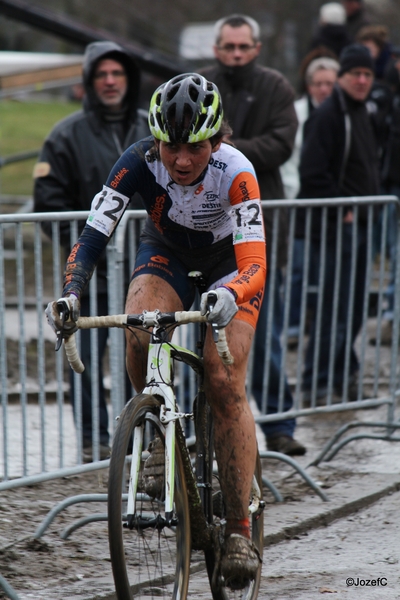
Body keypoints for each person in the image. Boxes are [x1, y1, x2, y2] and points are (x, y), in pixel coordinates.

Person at [45, 72, 266, 587]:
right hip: (165, 252)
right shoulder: (139, 160)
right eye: (171, 146)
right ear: (156, 140)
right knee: (139, 326)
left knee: (223, 380)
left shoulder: (237, 172)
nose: (182, 159)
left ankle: (237, 528)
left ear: (215, 141)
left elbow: (255, 260)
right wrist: (72, 291)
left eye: (194, 147)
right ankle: (155, 433)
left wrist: (232, 293)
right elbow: (95, 232)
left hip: (230, 266)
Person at [33, 41, 150, 462]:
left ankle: (147, 436)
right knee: (82, 356)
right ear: (88, 81)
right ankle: (92, 442)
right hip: (92, 272)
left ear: (129, 80)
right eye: (101, 74)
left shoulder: (151, 128)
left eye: (118, 73)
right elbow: (46, 202)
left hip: (145, 269)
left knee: (145, 350)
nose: (110, 81)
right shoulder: (66, 135)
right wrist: (83, 248)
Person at [201, 13, 306, 456]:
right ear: (217, 48)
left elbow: (282, 140)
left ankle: (280, 424)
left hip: (260, 229)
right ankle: (203, 427)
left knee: (266, 330)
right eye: (229, 47)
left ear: (256, 48)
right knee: (203, 332)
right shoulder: (203, 84)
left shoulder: (275, 88)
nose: (237, 54)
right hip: (205, 234)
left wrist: (224, 153)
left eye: (244, 47)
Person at [297, 43, 380, 401]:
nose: (362, 80)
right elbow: (311, 173)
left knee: (355, 306)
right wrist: (344, 209)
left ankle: (340, 374)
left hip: (363, 223)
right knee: (334, 309)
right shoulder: (329, 114)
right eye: (355, 74)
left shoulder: (361, 112)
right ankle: (317, 383)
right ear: (342, 78)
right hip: (338, 227)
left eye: (367, 74)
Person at [280, 57, 340, 347]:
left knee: (328, 270)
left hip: (329, 203)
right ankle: (292, 326)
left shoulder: (342, 114)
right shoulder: (299, 113)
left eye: (330, 83)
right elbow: (290, 159)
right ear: (309, 86)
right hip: (298, 200)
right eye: (319, 84)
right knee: (298, 268)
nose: (324, 89)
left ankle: (315, 326)